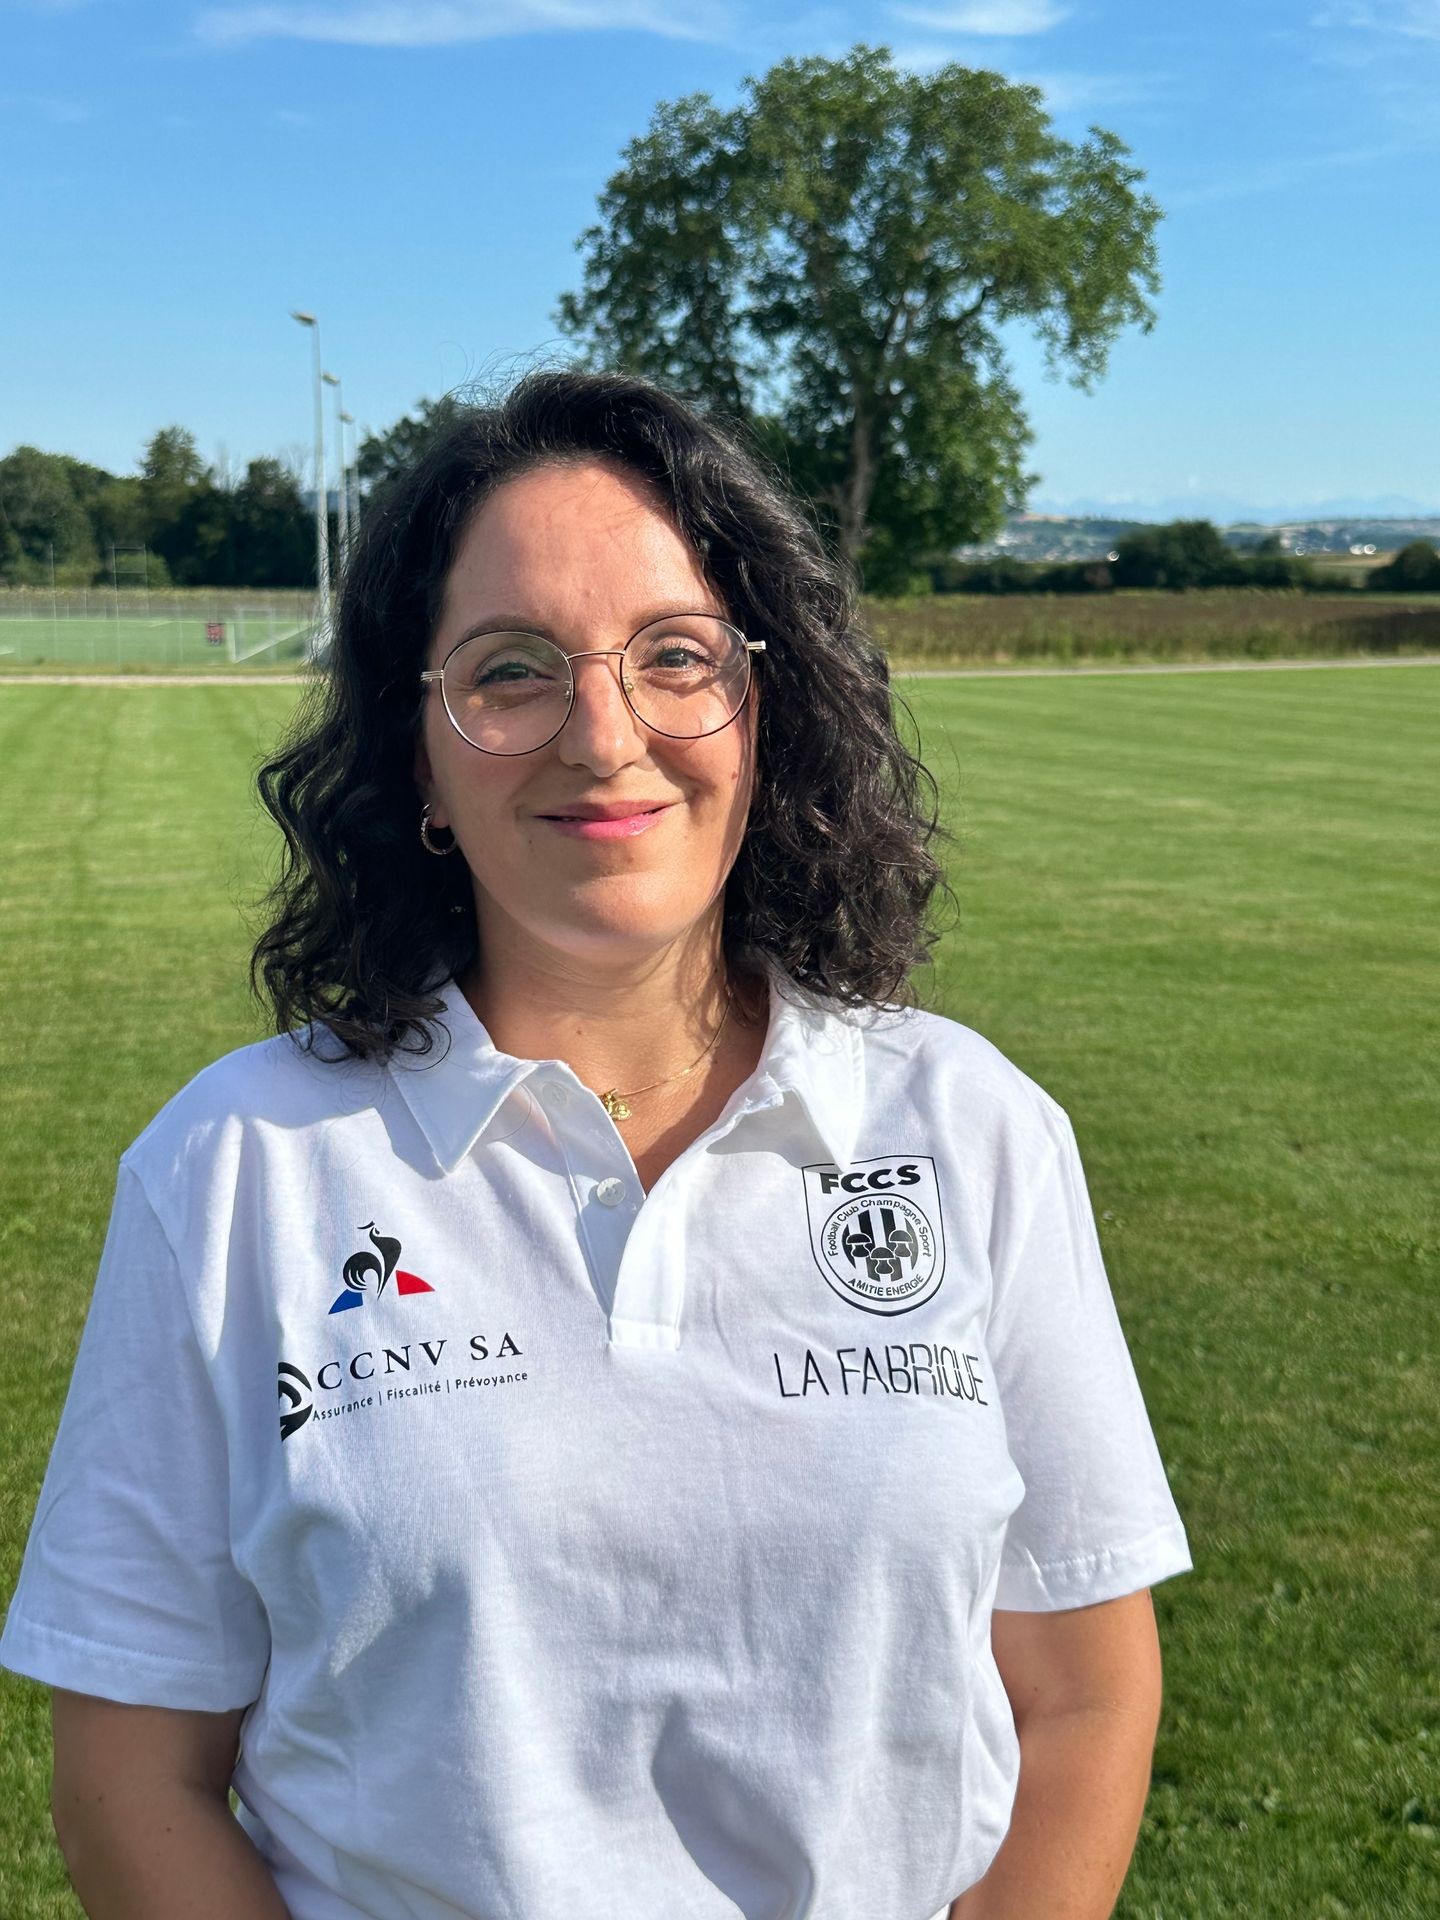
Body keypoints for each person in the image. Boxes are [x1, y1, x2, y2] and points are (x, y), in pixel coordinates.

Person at [0, 367, 1193, 1920]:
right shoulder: (234, 1168)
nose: (603, 736)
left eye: (677, 657)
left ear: (770, 709)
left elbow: (1085, 1701)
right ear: (417, 753)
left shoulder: (973, 1131)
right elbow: (131, 1772)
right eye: (510, 673)